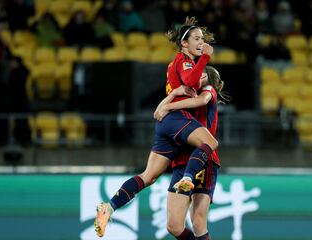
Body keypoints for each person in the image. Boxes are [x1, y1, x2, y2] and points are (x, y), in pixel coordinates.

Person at [94, 16, 217, 238]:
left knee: (148, 176)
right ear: (184, 44)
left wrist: (166, 102)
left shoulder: (179, 67)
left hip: (166, 126)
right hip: (178, 120)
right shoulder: (185, 61)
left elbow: (183, 88)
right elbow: (190, 81)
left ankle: (109, 207)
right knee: (211, 142)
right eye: (196, 39)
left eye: (203, 39)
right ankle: (188, 177)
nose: (201, 43)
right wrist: (205, 57)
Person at [155, 66, 226, 240]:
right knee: (173, 225)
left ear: (204, 76)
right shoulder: (185, 95)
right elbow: (157, 113)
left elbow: (202, 100)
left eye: (199, 73)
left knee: (198, 221)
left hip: (203, 158)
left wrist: (170, 106)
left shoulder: (208, 90)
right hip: (182, 159)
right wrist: (172, 96)